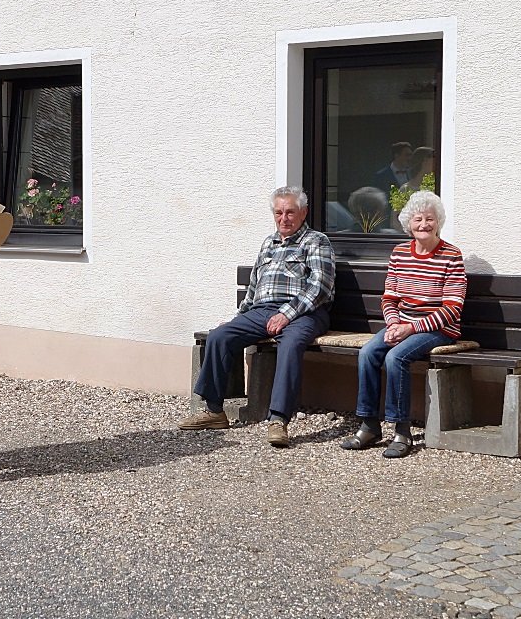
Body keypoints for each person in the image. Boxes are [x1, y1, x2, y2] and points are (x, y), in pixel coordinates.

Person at [179, 187, 336, 447]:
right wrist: (237, 318)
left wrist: (287, 314)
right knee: (220, 336)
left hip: (305, 312)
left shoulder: (316, 241)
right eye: (279, 213)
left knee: (291, 344)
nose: (284, 218)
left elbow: (319, 287)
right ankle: (215, 411)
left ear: (303, 212)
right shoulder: (268, 243)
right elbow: (253, 288)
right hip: (262, 311)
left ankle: (278, 420)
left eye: (290, 212)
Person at [341, 191, 466, 458]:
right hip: (402, 324)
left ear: (438, 222)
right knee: (367, 353)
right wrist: (395, 323)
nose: (424, 225)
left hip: (438, 329)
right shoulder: (399, 253)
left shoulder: (451, 256)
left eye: (429, 219)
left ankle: (402, 431)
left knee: (395, 357)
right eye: (418, 219)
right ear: (408, 223)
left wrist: (411, 328)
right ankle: (369, 425)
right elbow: (389, 297)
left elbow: (453, 308)